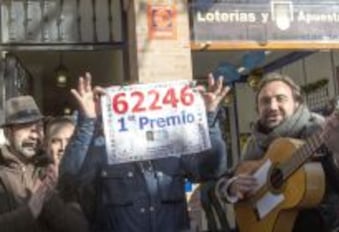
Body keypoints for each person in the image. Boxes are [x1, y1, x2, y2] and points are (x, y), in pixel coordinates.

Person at [59, 73, 230, 232]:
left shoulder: (173, 147)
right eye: (128, 108)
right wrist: (88, 121)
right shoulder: (102, 149)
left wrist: (208, 118)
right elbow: (70, 180)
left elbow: (211, 170)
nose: (137, 115)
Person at [216, 73, 339, 232]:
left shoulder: (321, 131)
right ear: (257, 109)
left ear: (297, 103)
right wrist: (230, 187)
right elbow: (225, 180)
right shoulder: (254, 143)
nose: (273, 106)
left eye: (280, 98)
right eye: (265, 101)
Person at [0, 96, 89, 232]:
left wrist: (50, 200)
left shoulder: (53, 170)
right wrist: (30, 212)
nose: (35, 135)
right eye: (26, 127)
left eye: (39, 127)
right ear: (7, 133)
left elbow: (79, 227)